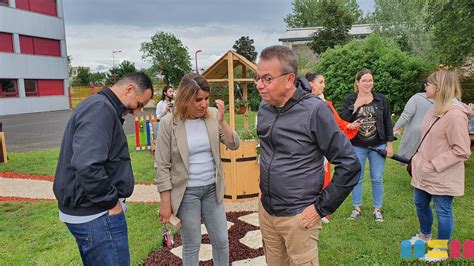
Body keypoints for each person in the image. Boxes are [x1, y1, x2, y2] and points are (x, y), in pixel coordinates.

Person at [256, 45, 360, 265]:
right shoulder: (264, 109)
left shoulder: (315, 110)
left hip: (298, 217)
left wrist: (320, 208)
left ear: (289, 79)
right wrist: (263, 190)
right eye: (258, 78)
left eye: (267, 78)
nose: (259, 85)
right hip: (267, 212)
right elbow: (269, 153)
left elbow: (349, 164)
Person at [53, 72, 154, 265]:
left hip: (90, 211)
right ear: (129, 89)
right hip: (96, 214)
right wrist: (111, 203)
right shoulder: (100, 109)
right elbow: (87, 164)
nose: (136, 112)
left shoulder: (99, 106)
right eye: (139, 104)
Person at [156, 73, 240, 266]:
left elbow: (234, 144)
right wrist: (165, 202)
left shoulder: (211, 117)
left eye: (206, 98)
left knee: (221, 240)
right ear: (185, 98)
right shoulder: (169, 123)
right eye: (198, 100)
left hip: (212, 189)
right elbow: (162, 165)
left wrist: (222, 121)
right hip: (187, 193)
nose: (203, 104)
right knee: (192, 244)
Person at [409, 70, 471, 246]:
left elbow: (462, 150)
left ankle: (441, 249)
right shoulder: (433, 109)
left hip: (442, 173)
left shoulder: (455, 115)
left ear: (439, 87)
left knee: (442, 210)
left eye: (429, 84)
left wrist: (434, 164)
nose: (426, 86)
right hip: (424, 171)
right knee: (419, 203)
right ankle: (424, 236)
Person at [340, 69, 394, 222]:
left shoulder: (380, 99)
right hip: (357, 145)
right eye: (364, 80)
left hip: (378, 145)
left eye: (370, 80)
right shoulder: (350, 99)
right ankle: (356, 208)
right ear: (357, 82)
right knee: (357, 177)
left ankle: (377, 209)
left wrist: (389, 145)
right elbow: (343, 121)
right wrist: (356, 105)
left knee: (377, 178)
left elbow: (387, 122)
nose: (368, 83)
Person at [393, 80, 434, 161]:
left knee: (410, 160)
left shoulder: (416, 98)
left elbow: (406, 115)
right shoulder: (442, 101)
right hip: (431, 133)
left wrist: (395, 128)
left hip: (414, 134)